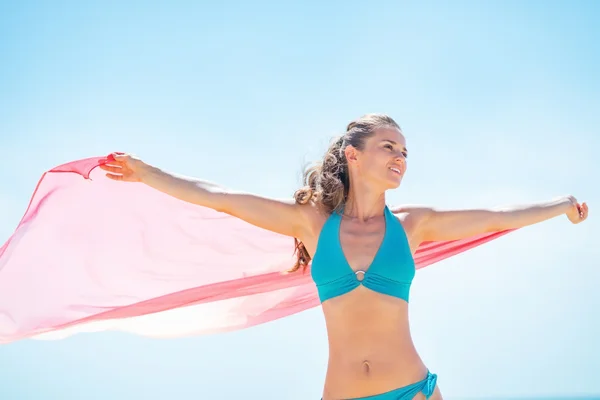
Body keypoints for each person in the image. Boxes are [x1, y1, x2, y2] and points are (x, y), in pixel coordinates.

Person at [99, 113, 588, 400]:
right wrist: (148, 173)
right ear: (354, 155)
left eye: (405, 151)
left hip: (415, 392)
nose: (400, 156)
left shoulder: (413, 225)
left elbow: (495, 216)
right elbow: (220, 196)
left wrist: (561, 206)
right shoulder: (311, 223)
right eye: (388, 146)